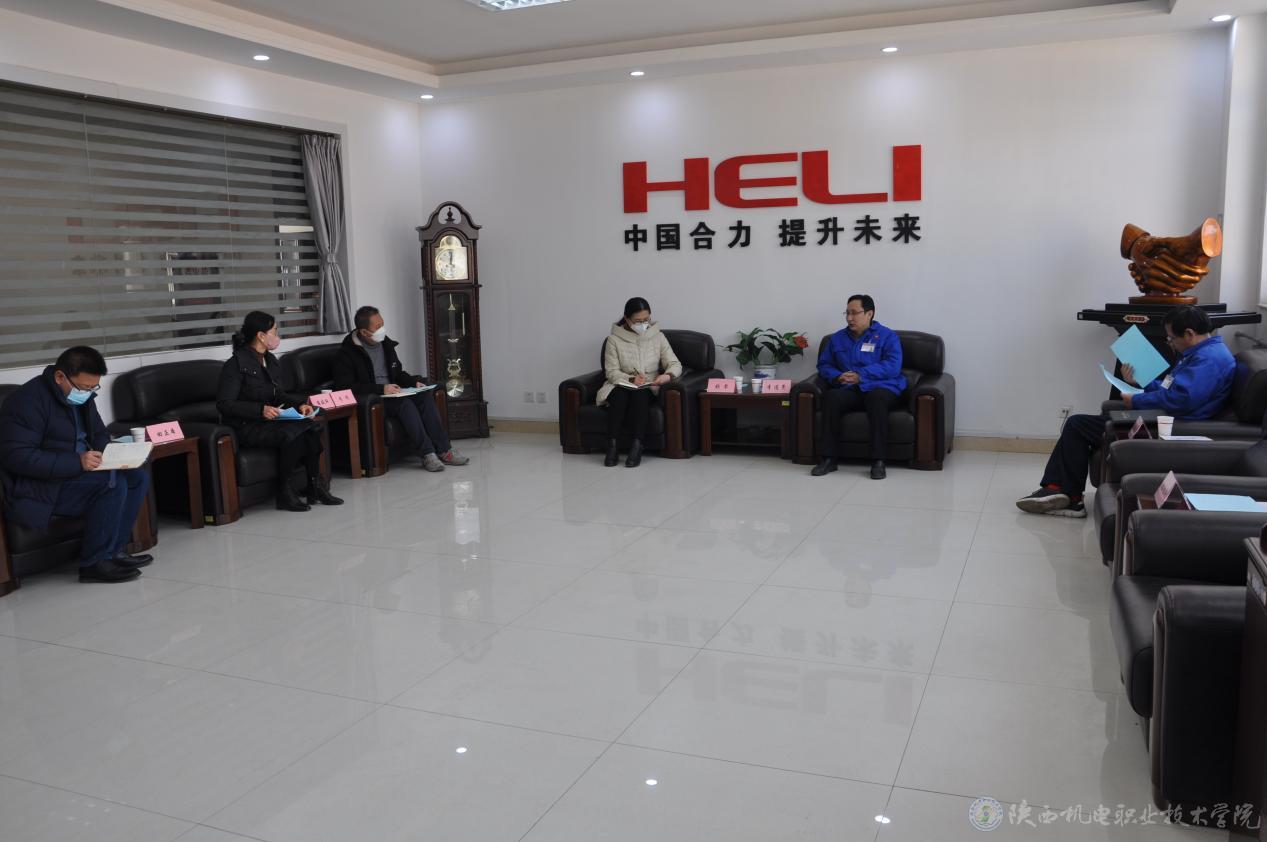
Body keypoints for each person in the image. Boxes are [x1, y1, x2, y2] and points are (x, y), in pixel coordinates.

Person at [1017, 305, 1236, 518]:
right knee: (1084, 424)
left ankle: (1068, 495)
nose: (1170, 343)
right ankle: (1059, 489)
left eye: (1171, 338)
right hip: (1163, 416)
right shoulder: (1200, 353)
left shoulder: (1208, 359)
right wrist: (1141, 383)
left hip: (1170, 425)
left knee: (1078, 424)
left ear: (1189, 333)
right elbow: (1170, 388)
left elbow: (1181, 400)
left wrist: (1137, 400)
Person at [0, 346, 152, 583]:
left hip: (76, 473)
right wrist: (76, 462)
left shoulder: (81, 396)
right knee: (109, 483)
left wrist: (113, 454)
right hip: (39, 486)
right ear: (60, 376)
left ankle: (114, 551)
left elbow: (98, 433)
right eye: (84, 387)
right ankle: (94, 563)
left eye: (93, 388)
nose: (88, 393)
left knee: (136, 477)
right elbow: (17, 456)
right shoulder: (27, 402)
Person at [216, 311, 343, 512]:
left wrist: (300, 405)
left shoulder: (271, 361)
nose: (277, 335)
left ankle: (315, 486)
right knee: (293, 433)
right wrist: (260, 410)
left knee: (310, 428)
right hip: (246, 425)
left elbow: (278, 395)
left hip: (270, 420)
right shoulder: (236, 365)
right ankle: (285, 492)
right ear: (261, 335)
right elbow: (224, 404)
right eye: (274, 331)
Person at [332, 305, 468, 472]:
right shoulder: (346, 354)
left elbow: (398, 372)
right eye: (377, 327)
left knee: (424, 396)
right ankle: (427, 454)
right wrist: (381, 389)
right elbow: (345, 387)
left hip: (395, 392)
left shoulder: (385, 343)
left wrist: (413, 382)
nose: (382, 329)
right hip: (377, 398)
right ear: (364, 332)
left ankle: (445, 450)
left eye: (382, 324)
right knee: (405, 404)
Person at [811, 294, 906, 480]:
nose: (849, 318)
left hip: (881, 387)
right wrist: (837, 376)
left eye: (854, 313)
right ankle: (828, 459)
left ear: (869, 313)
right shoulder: (837, 339)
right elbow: (824, 365)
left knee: (877, 399)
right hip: (850, 389)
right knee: (832, 398)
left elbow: (893, 365)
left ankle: (878, 461)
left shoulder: (887, 336)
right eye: (847, 313)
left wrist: (861, 375)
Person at [596, 296, 682, 467]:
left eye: (646, 319)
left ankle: (637, 445)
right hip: (620, 383)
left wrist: (667, 376)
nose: (643, 324)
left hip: (647, 385)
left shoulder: (658, 337)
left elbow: (675, 364)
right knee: (619, 396)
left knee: (639, 396)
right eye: (638, 321)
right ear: (627, 319)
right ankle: (612, 446)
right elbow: (611, 371)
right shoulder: (614, 340)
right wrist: (630, 379)